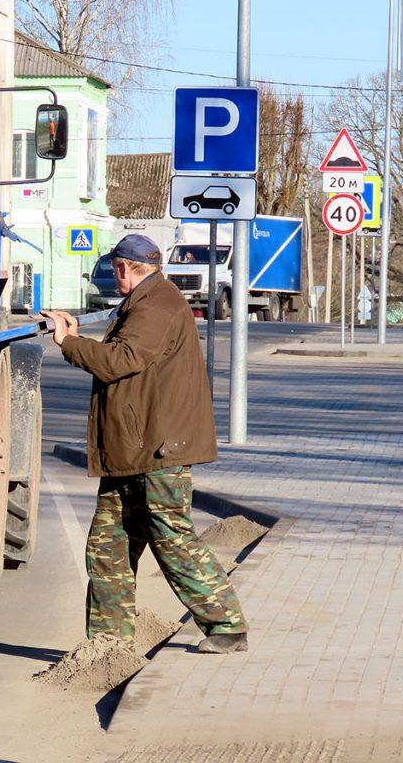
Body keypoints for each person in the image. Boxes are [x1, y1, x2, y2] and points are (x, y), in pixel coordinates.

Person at [42, 234, 248, 654]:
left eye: (116, 268)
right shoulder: (147, 302)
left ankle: (225, 625)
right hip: (133, 449)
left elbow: (121, 361)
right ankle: (109, 644)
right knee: (108, 546)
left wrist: (68, 343)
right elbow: (126, 354)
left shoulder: (158, 304)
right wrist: (79, 338)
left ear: (124, 267)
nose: (114, 275)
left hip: (159, 450)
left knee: (172, 538)